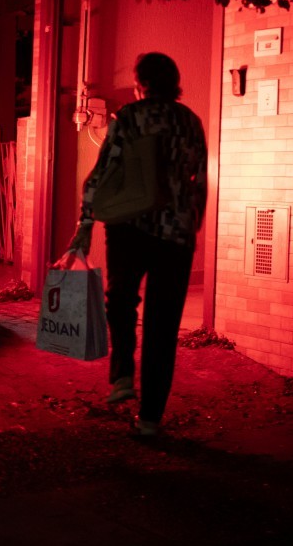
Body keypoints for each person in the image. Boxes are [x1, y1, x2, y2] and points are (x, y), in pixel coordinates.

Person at [57, 52, 208, 438]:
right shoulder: (191, 121)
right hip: (176, 234)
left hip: (131, 227)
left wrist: (86, 221)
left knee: (121, 299)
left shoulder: (129, 117)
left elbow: (104, 171)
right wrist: (192, 223)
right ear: (174, 82)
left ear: (141, 84)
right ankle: (150, 419)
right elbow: (200, 180)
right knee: (164, 324)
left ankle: (123, 373)